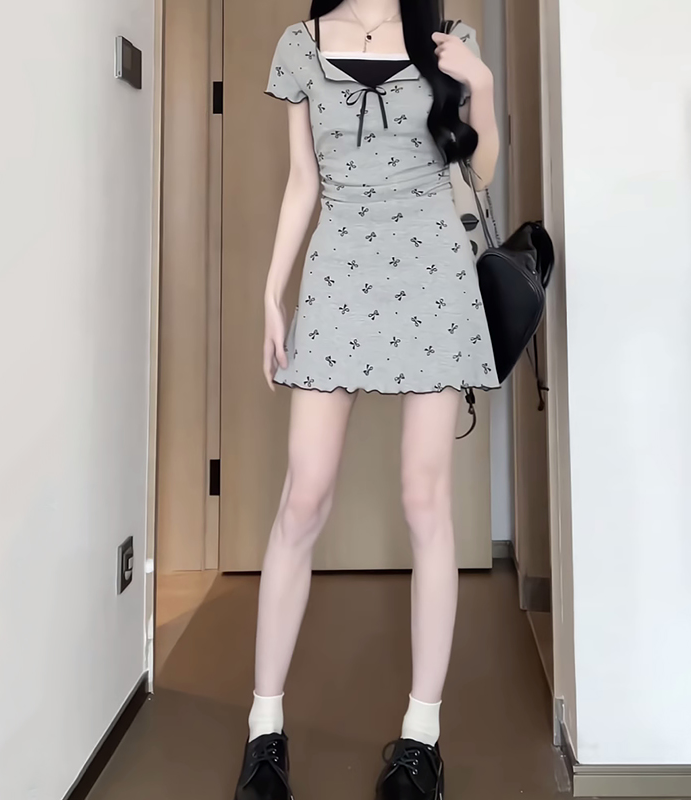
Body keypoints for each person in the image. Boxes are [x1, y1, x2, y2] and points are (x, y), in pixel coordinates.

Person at [234, 1, 499, 798]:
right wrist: (272, 293)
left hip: (433, 271)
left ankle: (422, 739)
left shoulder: (450, 41)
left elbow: (480, 174)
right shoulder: (300, 45)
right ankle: (264, 730)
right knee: (303, 498)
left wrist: (481, 84)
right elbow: (303, 182)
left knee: (425, 500)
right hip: (339, 270)